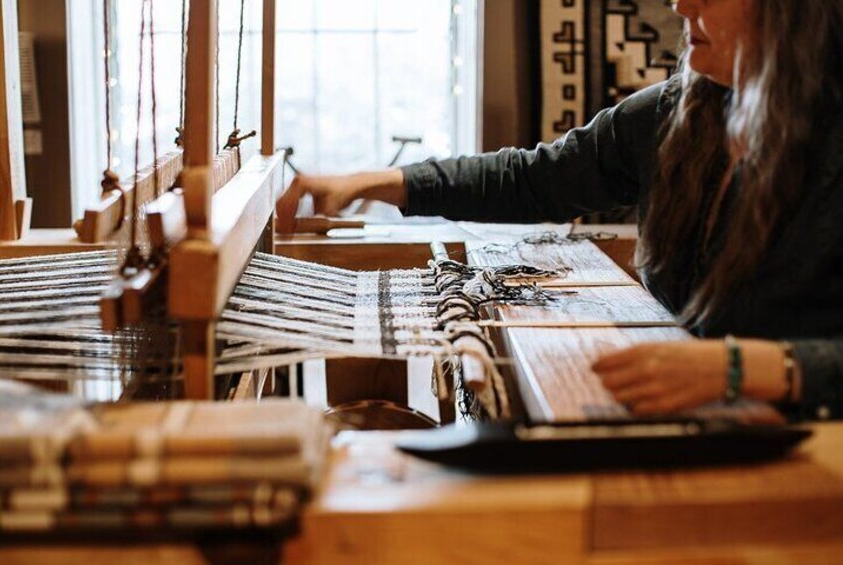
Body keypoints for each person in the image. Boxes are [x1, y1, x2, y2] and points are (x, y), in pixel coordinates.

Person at [276, 0, 843, 420]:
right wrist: (377, 182)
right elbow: (535, 179)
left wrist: (743, 368)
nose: (680, 4)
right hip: (711, 434)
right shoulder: (681, 112)